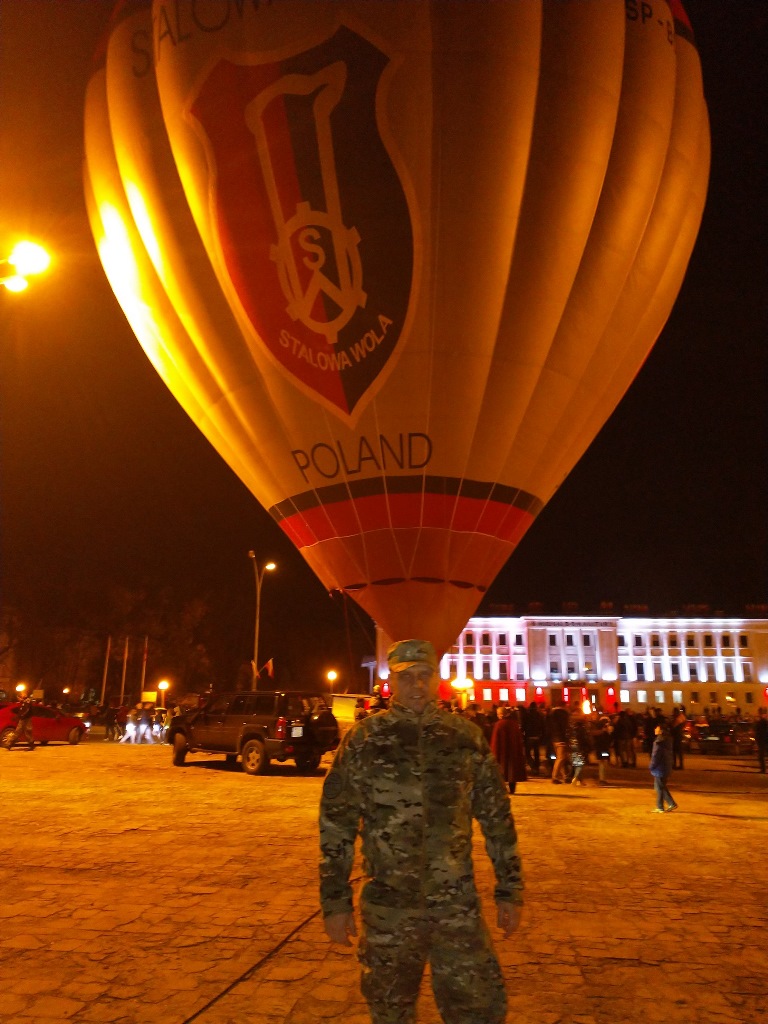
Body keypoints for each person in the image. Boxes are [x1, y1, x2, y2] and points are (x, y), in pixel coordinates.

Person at [319, 638, 524, 1024]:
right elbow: (336, 824)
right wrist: (335, 902)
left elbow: (497, 818)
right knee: (390, 1012)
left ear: (436, 680)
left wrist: (510, 889)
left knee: (479, 1011)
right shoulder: (364, 741)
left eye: (424, 676)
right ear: (391, 682)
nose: (416, 685)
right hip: (389, 911)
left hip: (456, 909)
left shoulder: (465, 739)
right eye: (406, 677)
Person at [490, 707, 528, 794]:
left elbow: (495, 741)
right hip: (513, 751)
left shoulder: (499, 725)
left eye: (498, 714)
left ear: (501, 714)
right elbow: (519, 738)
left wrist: (493, 752)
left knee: (501, 771)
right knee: (512, 771)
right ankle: (512, 789)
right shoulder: (514, 724)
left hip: (502, 752)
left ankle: (503, 789)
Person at [649, 721, 678, 813]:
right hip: (667, 766)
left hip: (660, 768)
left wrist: (651, 766)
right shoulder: (668, 740)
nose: (655, 729)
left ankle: (660, 807)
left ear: (661, 731)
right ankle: (671, 803)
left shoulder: (658, 742)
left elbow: (655, 756)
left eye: (657, 728)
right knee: (661, 786)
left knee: (659, 787)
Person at [549, 704, 570, 784]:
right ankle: (555, 777)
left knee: (561, 758)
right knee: (561, 758)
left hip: (555, 738)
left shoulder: (551, 714)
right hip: (561, 738)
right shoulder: (562, 714)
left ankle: (565, 776)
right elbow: (564, 727)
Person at [524, 701, 543, 776]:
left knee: (527, 753)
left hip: (529, 736)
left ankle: (533, 765)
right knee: (536, 753)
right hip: (537, 736)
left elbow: (524, 725)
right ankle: (537, 768)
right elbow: (542, 725)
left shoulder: (527, 715)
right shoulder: (539, 715)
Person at [754, 708, 768, 774]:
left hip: (763, 740)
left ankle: (763, 769)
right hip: (762, 740)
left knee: (761, 756)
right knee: (761, 756)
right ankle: (763, 769)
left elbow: (760, 731)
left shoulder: (762, 721)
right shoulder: (762, 721)